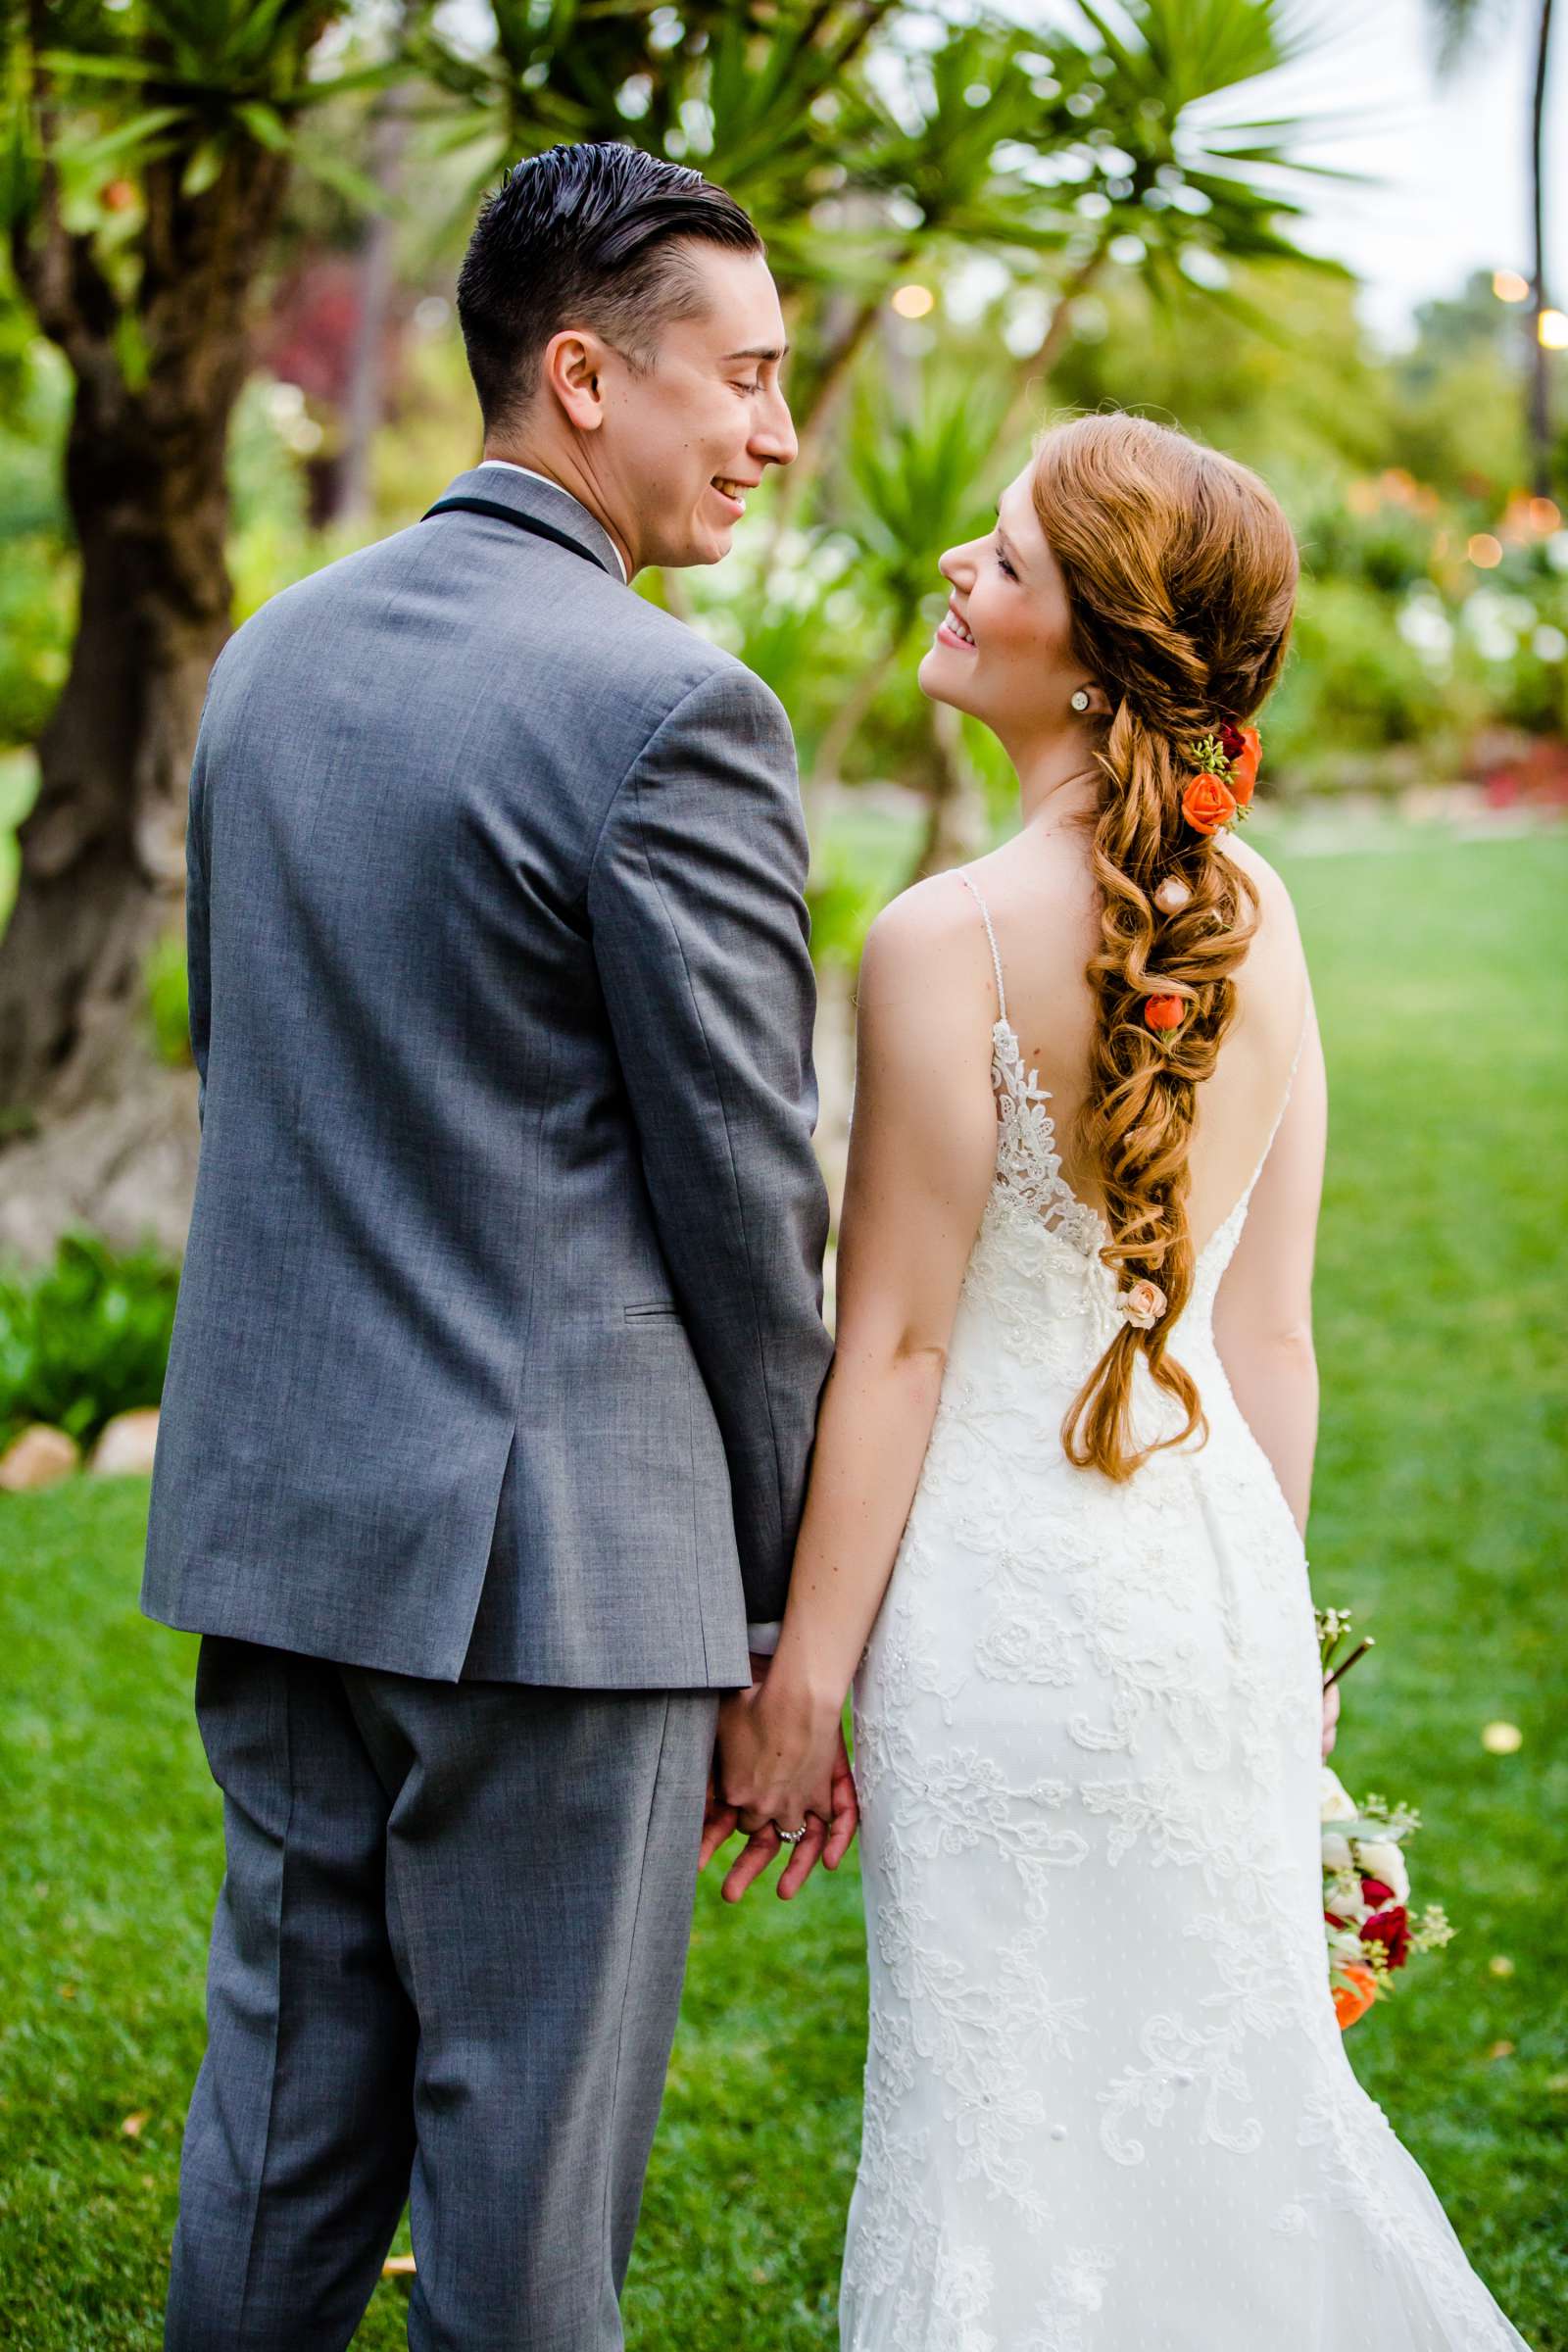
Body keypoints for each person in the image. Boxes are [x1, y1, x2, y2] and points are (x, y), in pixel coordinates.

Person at [713, 413, 1532, 2347]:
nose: (950, 576)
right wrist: (1276, 1668)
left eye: (993, 562)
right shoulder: (1270, 923)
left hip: (998, 1619)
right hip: (1208, 1597)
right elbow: (1268, 1340)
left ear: (1090, 654)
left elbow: (898, 1347)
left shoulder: (938, 944)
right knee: (1232, 2108)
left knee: (1004, 2137)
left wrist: (798, 1683)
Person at [141, 140, 853, 2351]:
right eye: (734, 376)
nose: (770, 429)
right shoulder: (667, 712)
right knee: (525, 2209)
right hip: (558, 1590)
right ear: (576, 377)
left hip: (283, 1524)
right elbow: (751, 1211)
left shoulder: (268, 660)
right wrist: (773, 1604)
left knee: (275, 2137)